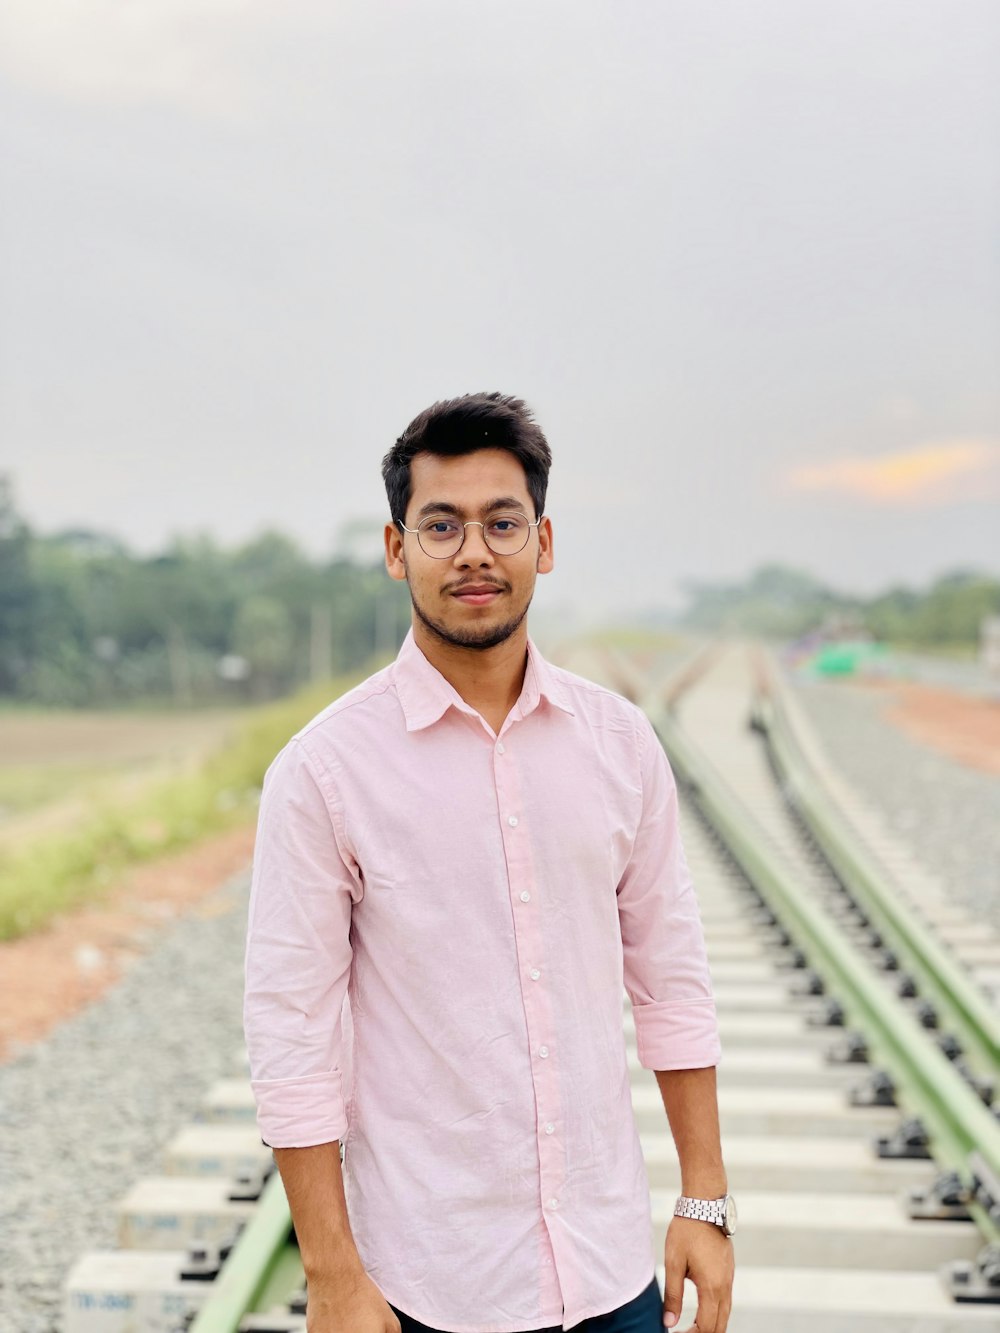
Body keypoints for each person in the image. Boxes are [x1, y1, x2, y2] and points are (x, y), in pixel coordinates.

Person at [243, 392, 734, 1333]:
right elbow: (293, 1029)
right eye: (441, 525)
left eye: (502, 523)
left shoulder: (620, 743)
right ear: (397, 551)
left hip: (607, 1268)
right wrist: (334, 1274)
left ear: (543, 543)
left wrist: (702, 1198)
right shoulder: (324, 770)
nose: (475, 551)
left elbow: (672, 980)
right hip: (428, 1282)